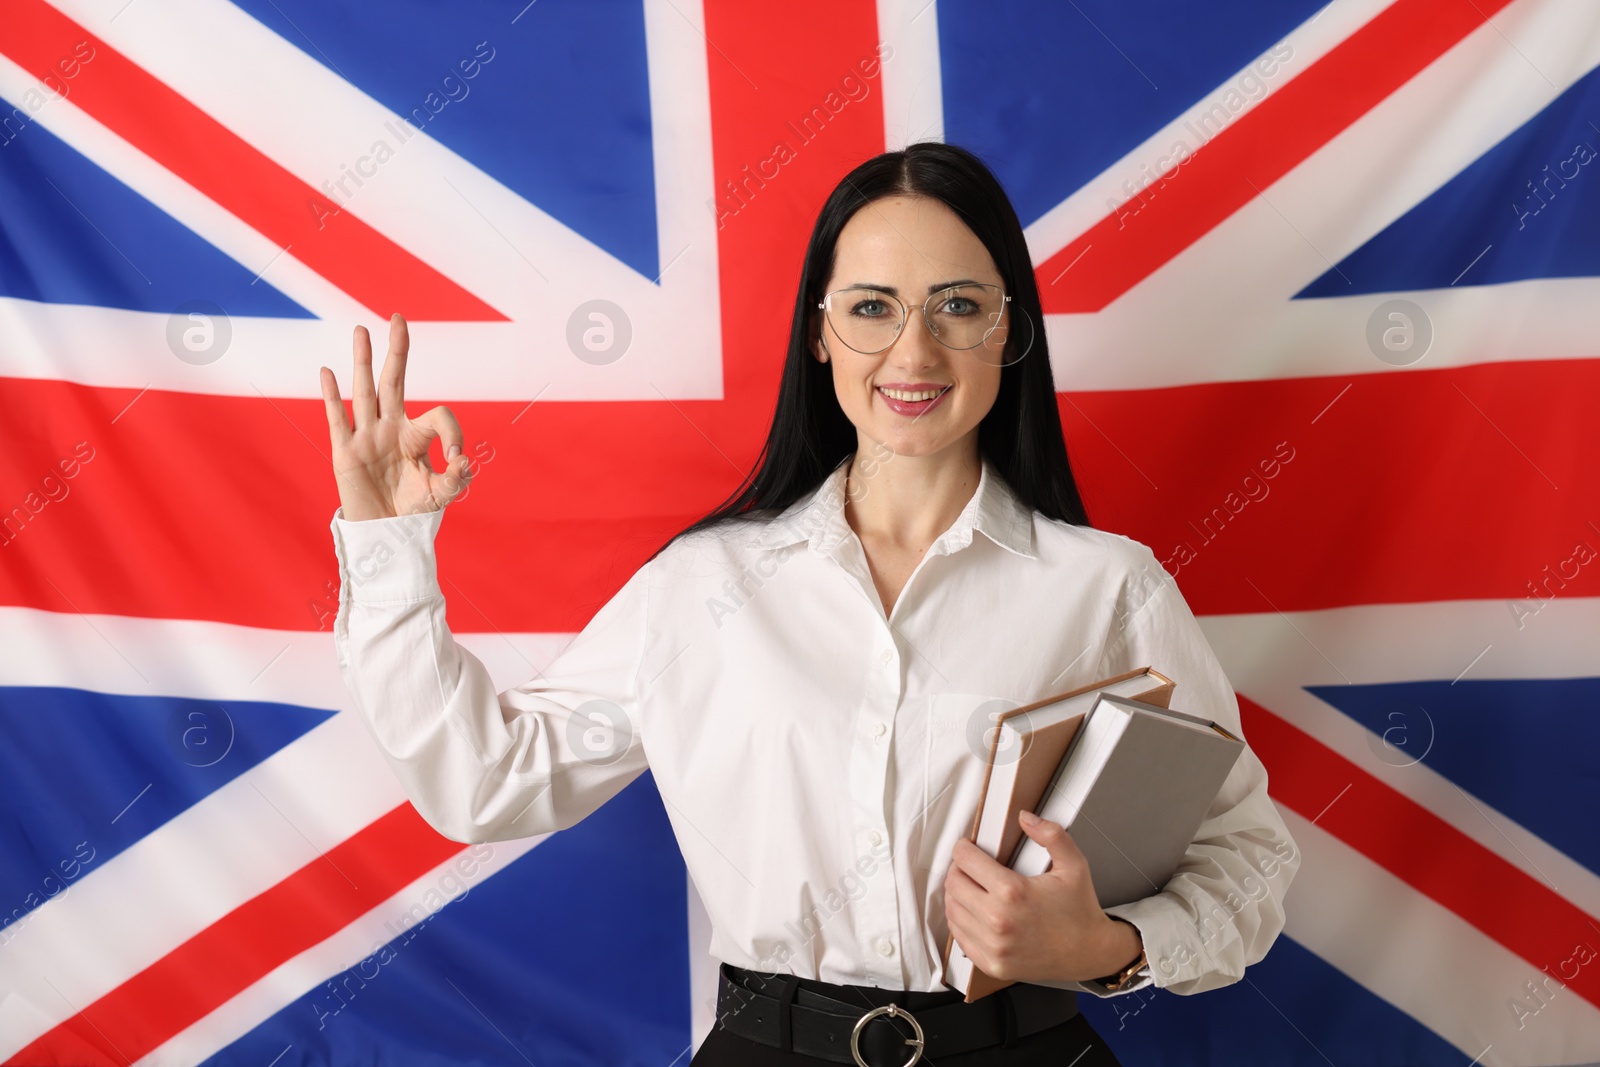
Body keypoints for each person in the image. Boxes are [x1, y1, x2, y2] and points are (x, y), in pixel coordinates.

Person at [318, 142, 1299, 1067]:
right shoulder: (697, 588)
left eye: (956, 304)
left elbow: (1246, 865)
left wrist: (1105, 944)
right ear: (820, 336)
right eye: (871, 307)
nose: (913, 349)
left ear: (1010, 330)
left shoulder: (1109, 589)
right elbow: (483, 784)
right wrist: (385, 545)